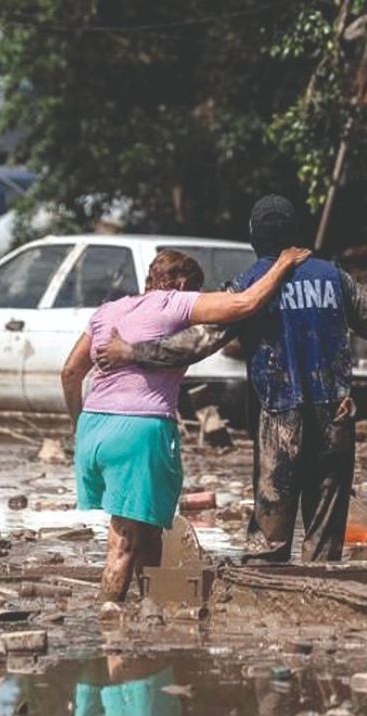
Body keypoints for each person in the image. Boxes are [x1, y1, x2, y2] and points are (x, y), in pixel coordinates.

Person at [99, 195, 367, 564]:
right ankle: (323, 597)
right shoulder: (334, 278)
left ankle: (267, 602)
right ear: (295, 233)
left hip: (278, 415)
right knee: (325, 526)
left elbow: (197, 343)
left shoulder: (250, 285)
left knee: (270, 534)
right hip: (336, 413)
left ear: (254, 237)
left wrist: (133, 352)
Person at [60, 246, 310, 604]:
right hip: (140, 431)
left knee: (148, 532)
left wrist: (78, 425)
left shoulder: (108, 310)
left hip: (94, 429)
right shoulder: (174, 304)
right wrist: (283, 263)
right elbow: (244, 305)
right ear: (180, 283)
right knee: (125, 540)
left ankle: (150, 614)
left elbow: (70, 372)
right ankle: (109, 627)